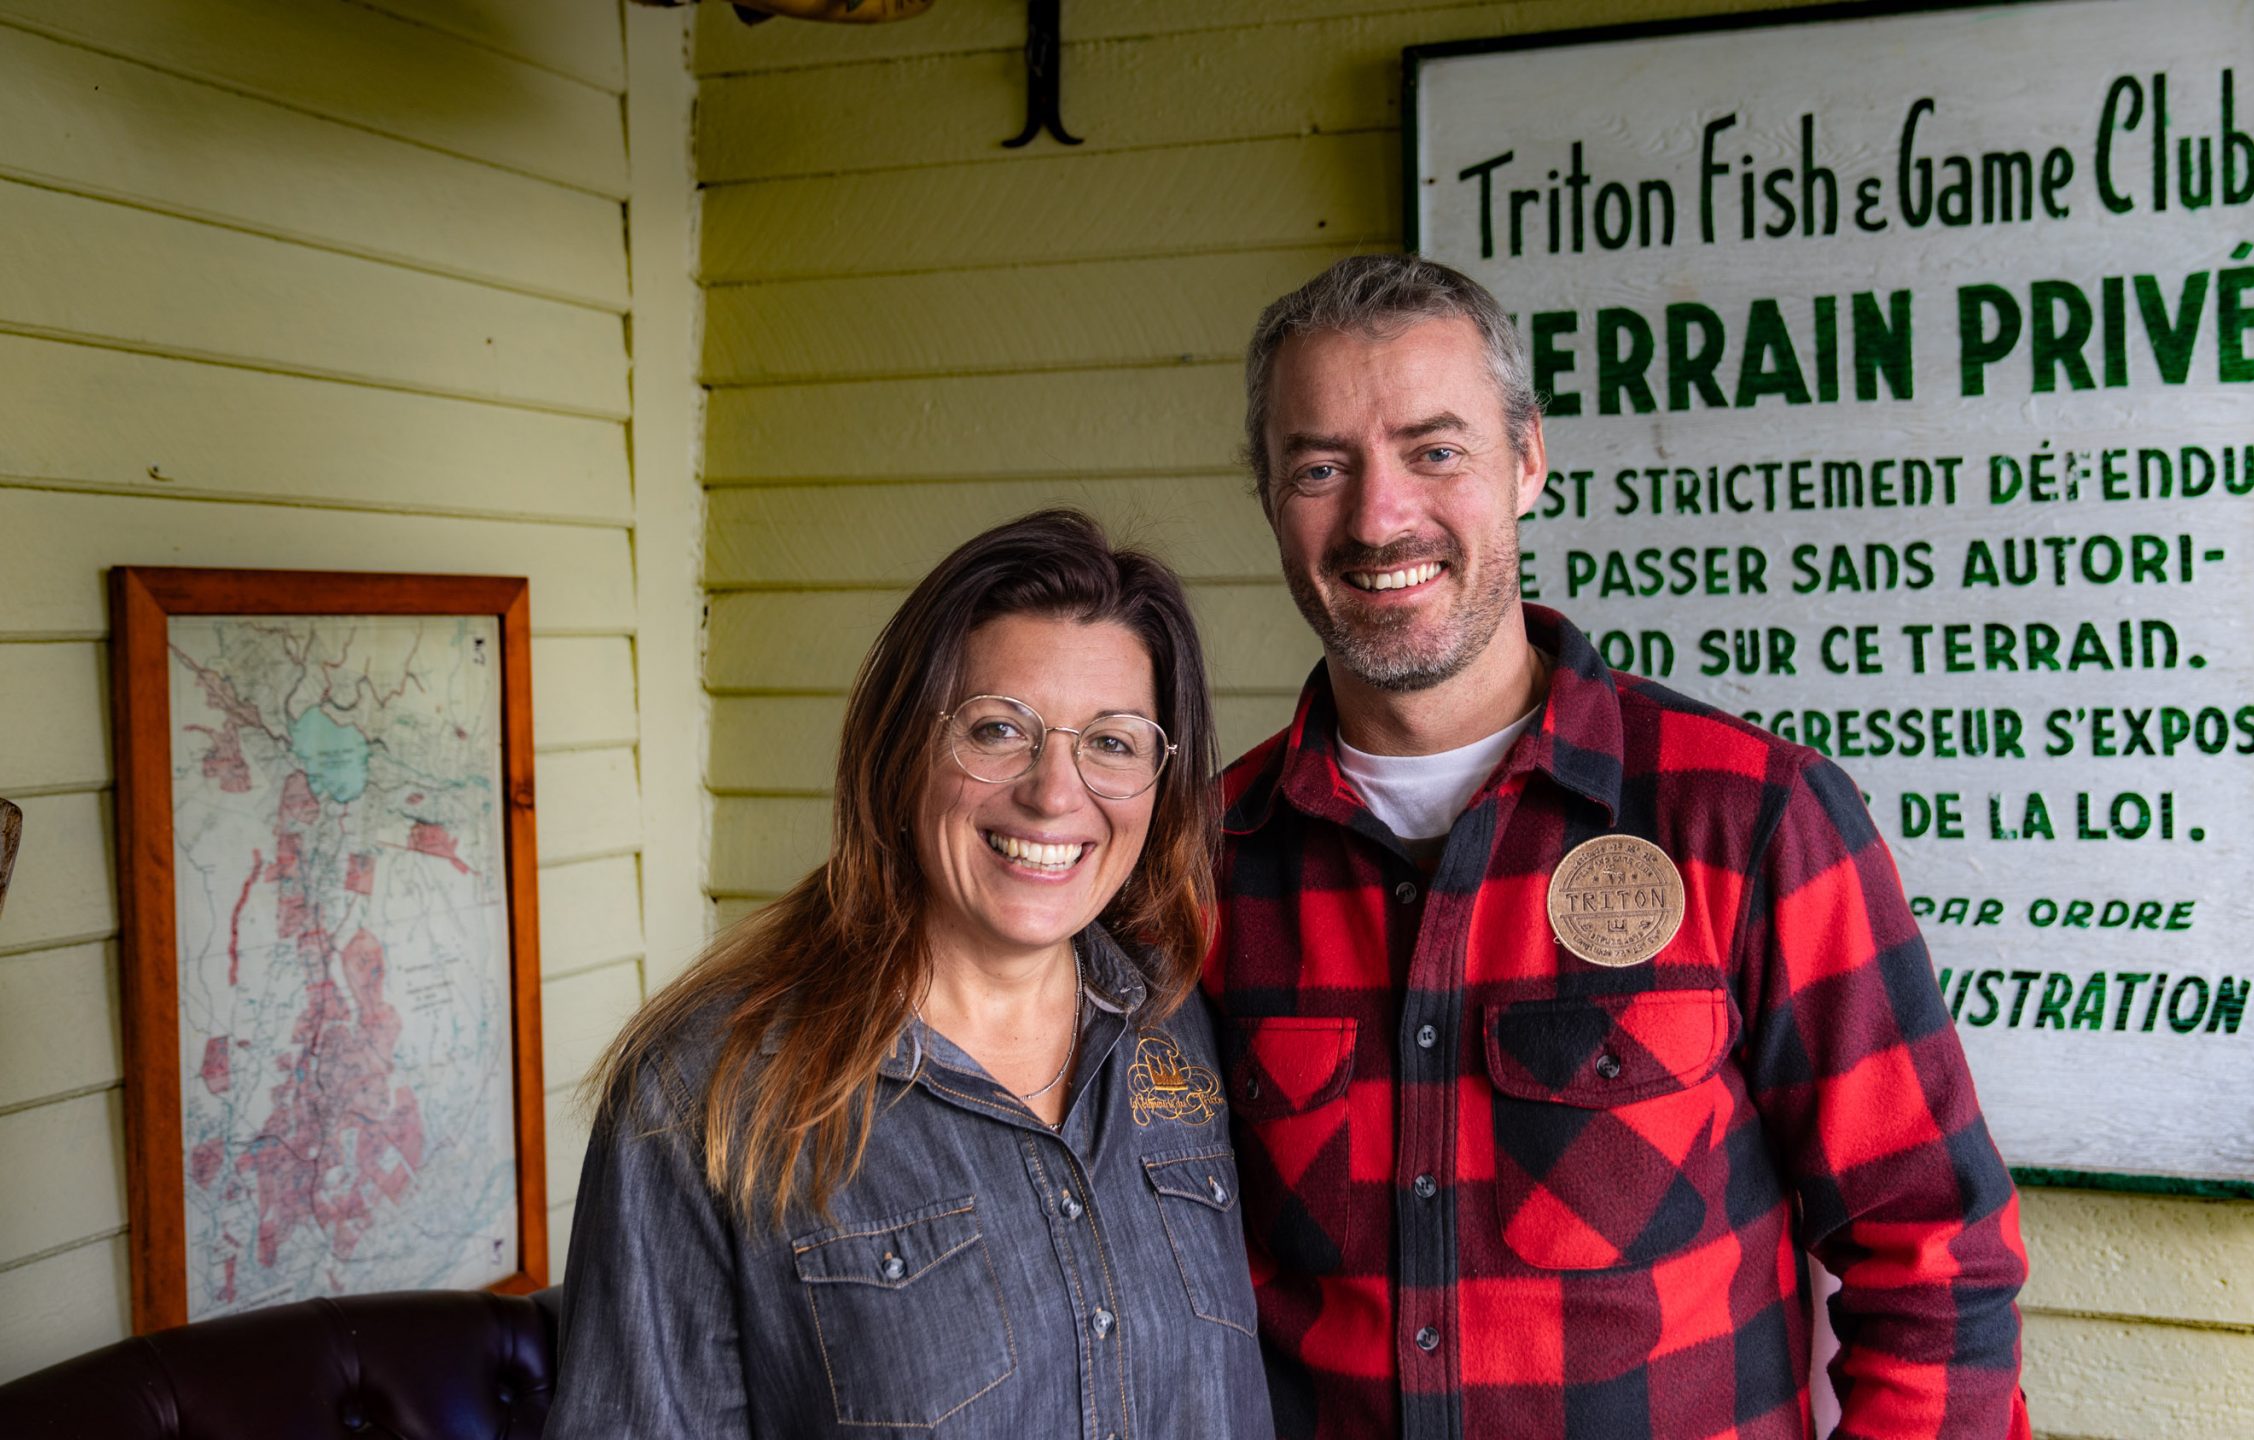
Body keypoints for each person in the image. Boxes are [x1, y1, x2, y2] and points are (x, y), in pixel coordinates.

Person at [1208, 254, 2032, 1439]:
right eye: (1321, 468)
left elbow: (1935, 1255)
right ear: (1270, 498)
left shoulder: (1751, 821)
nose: (1380, 516)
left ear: (1528, 461)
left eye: (1436, 451)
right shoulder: (1205, 863)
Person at [551, 510, 1272, 1439]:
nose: (1055, 793)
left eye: (1113, 741)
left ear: (1159, 783)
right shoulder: (706, 1091)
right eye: (998, 729)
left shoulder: (1188, 1020)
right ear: (902, 753)